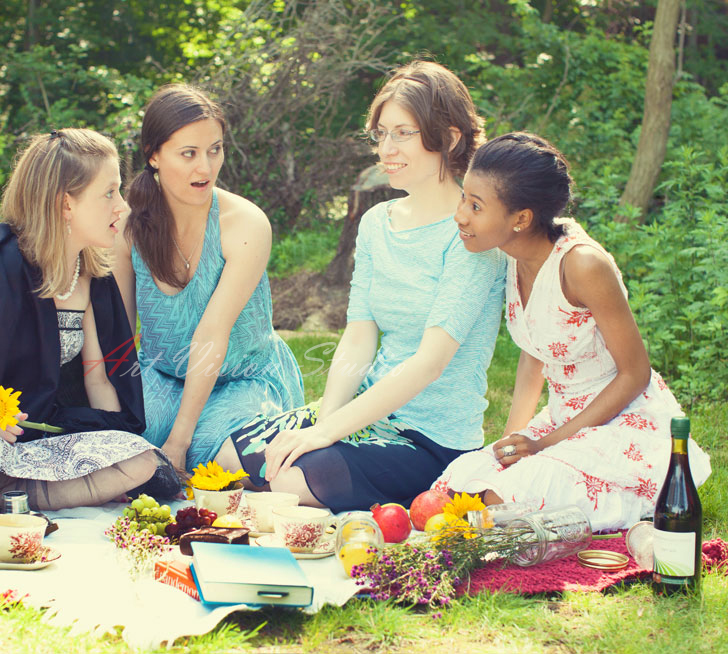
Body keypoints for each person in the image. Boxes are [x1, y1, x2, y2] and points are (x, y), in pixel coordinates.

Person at [215, 61, 507, 512]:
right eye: (380, 134)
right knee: (230, 458)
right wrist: (326, 419)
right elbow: (359, 335)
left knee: (285, 485)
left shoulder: (472, 237)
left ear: (449, 138)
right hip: (365, 413)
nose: (386, 149)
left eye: (402, 133)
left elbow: (429, 364)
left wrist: (326, 435)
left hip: (429, 439)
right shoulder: (376, 223)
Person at [0, 128, 178, 518]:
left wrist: (115, 439)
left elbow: (98, 379)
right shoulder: (2, 256)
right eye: (109, 193)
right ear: (65, 204)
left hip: (41, 428)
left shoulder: (92, 273)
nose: (122, 207)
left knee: (140, 461)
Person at [436, 132, 711, 530]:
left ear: (521, 219)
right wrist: (513, 441)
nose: (460, 214)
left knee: (496, 509)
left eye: (475, 206)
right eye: (464, 198)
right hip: (563, 419)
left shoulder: (582, 265)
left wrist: (545, 445)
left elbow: (636, 374)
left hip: (620, 421)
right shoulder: (514, 256)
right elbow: (534, 355)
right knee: (460, 486)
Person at [112, 84, 304, 475]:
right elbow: (118, 328)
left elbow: (211, 334)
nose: (206, 167)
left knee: (219, 458)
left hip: (243, 377)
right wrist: (109, 404)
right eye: (189, 154)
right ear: (153, 156)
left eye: (214, 149)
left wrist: (179, 439)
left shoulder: (245, 224)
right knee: (125, 444)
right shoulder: (129, 227)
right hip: (164, 375)